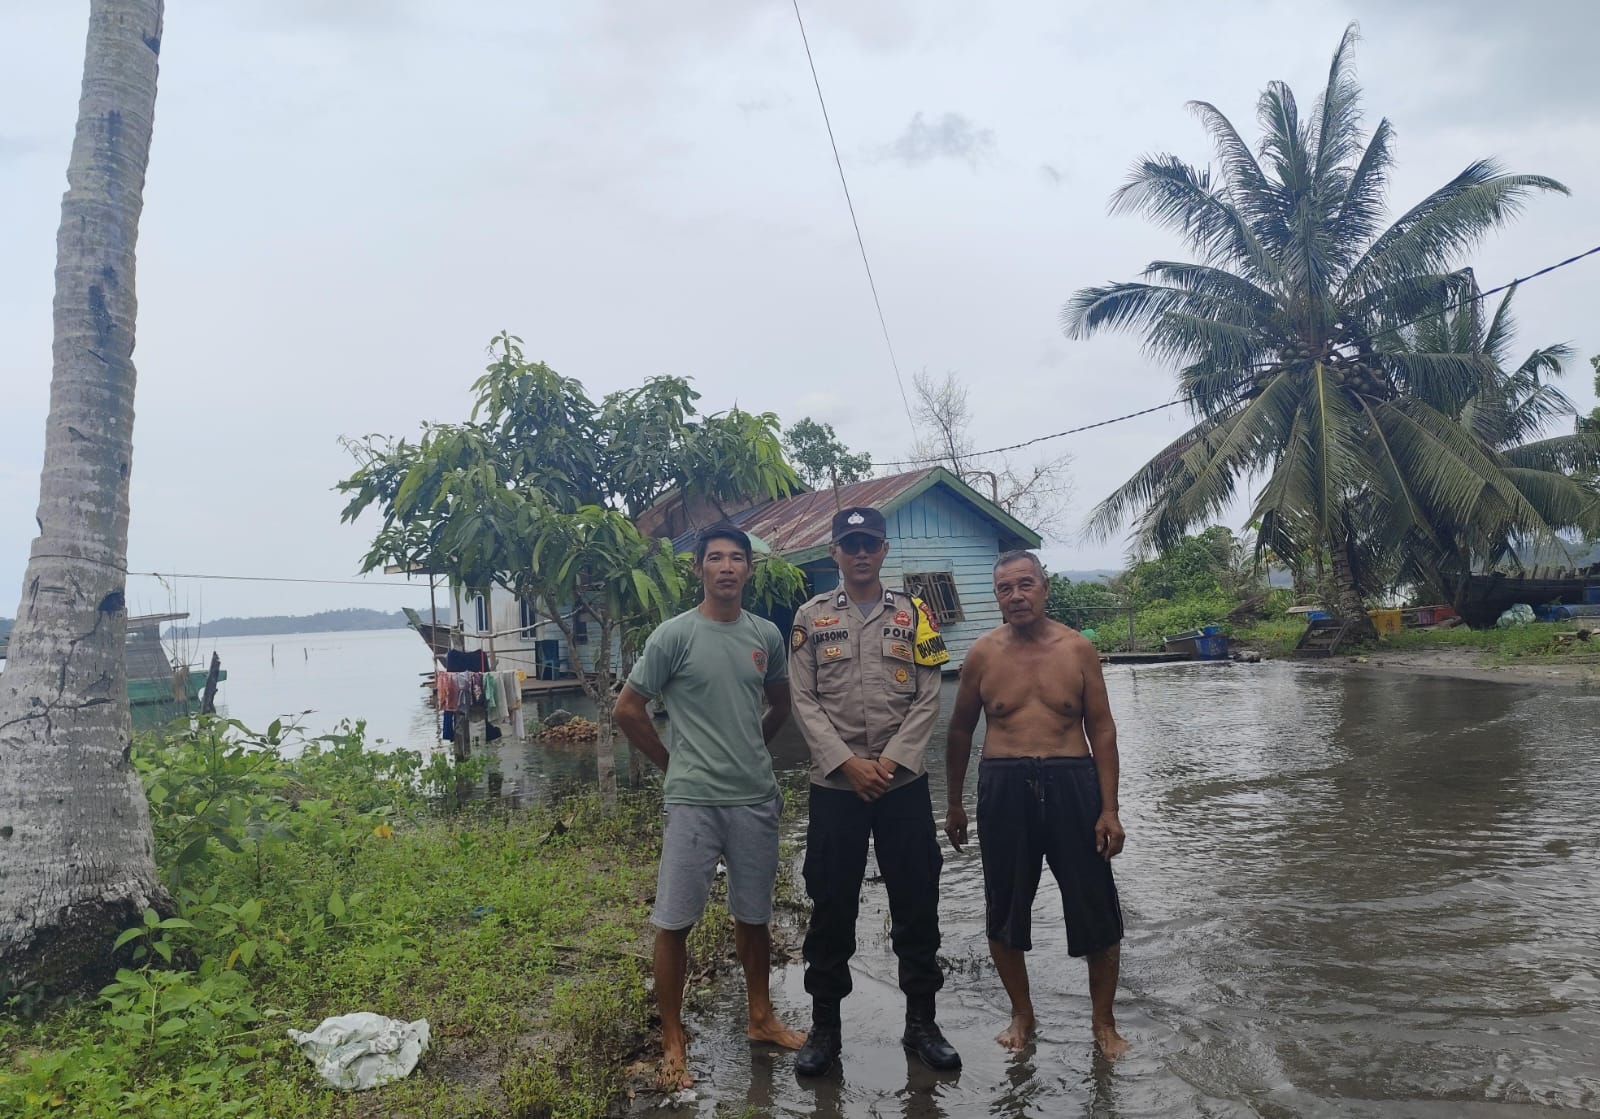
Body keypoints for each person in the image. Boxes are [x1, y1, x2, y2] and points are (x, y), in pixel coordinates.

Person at [614, 523, 806, 1090]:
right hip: (693, 802)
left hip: (755, 798)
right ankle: (673, 1041)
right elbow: (628, 709)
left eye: (736, 558)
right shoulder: (674, 636)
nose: (726, 567)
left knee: (754, 916)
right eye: (715, 558)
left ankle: (761, 1017)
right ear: (698, 568)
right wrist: (673, 764)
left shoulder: (766, 635)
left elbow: (780, 703)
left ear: (749, 569)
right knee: (674, 921)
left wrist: (750, 750)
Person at [788, 505, 962, 1076]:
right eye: (850, 544)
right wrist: (846, 763)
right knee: (830, 902)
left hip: (902, 783)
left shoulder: (916, 615)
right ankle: (825, 1028)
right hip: (835, 787)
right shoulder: (811, 617)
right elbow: (803, 701)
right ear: (834, 553)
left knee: (917, 899)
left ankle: (921, 1023)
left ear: (884, 549)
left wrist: (887, 763)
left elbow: (929, 695)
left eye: (870, 544)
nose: (861, 553)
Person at [944, 549, 1129, 1057]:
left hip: (1072, 782)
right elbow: (959, 731)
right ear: (997, 598)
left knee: (1095, 905)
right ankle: (1022, 1015)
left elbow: (1102, 730)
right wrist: (955, 804)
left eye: (1025, 584)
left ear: (1044, 588)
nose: (1016, 596)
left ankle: (1103, 1023)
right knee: (1005, 904)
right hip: (1004, 785)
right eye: (1005, 588)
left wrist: (1109, 809)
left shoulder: (1077, 649)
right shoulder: (982, 654)